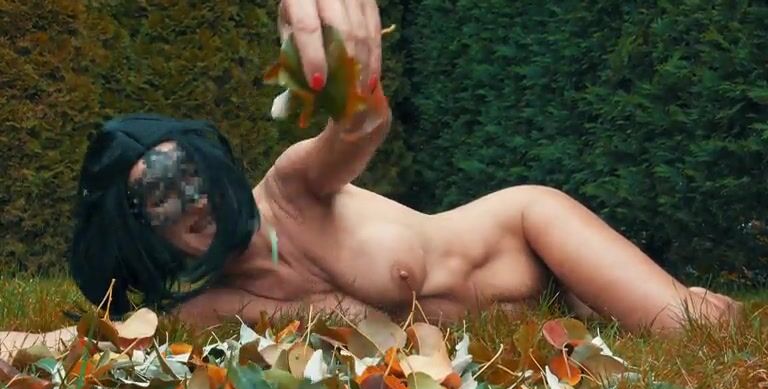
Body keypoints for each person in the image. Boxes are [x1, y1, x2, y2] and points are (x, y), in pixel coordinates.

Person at [5, 1, 743, 360]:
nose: (187, 201)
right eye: (155, 199)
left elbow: (359, 127)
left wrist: (336, 60)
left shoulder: (291, 189)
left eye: (183, 174)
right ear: (138, 234)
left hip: (531, 235)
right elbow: (111, 342)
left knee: (693, 330)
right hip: (532, 324)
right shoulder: (211, 309)